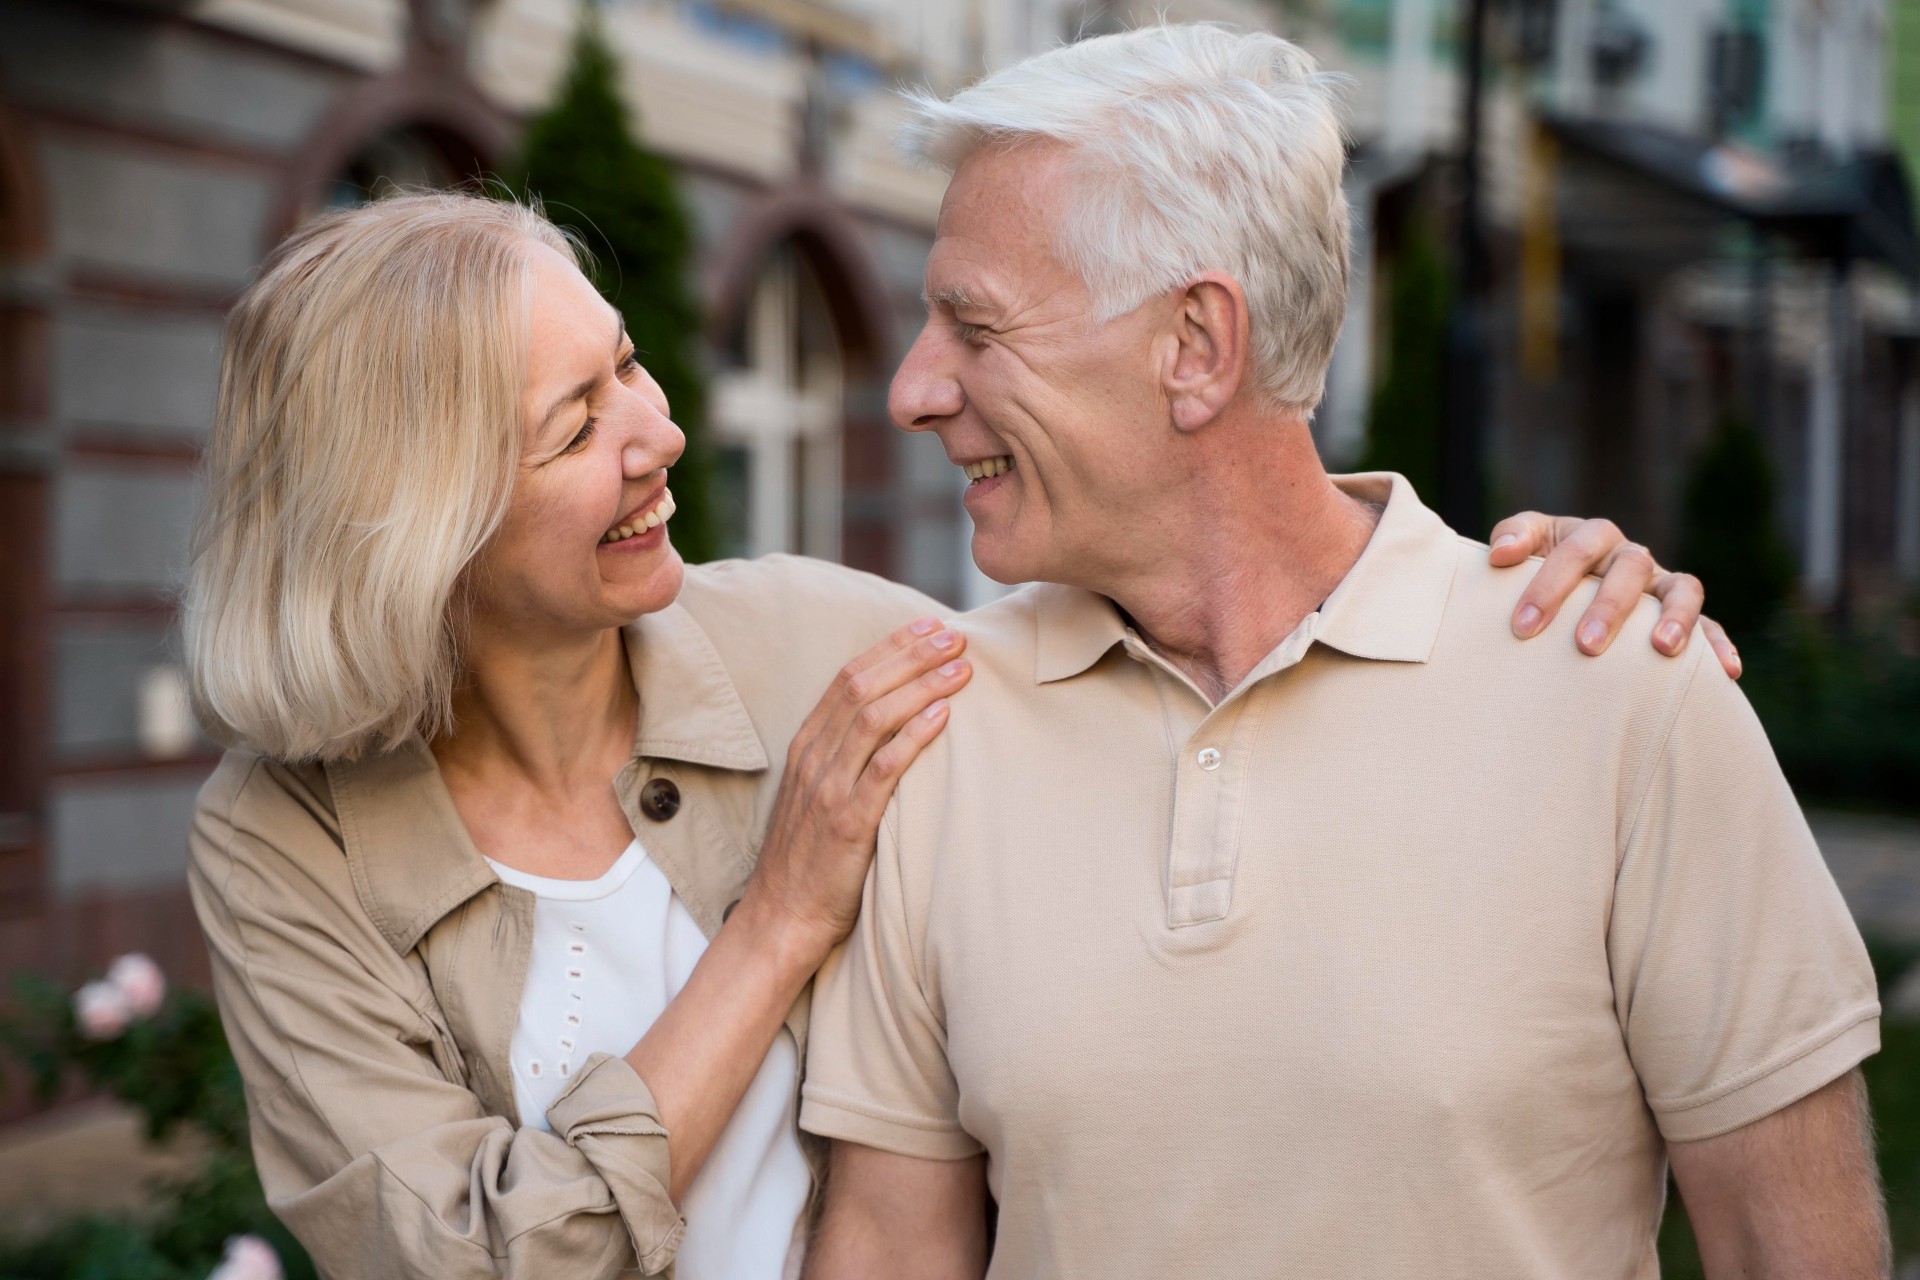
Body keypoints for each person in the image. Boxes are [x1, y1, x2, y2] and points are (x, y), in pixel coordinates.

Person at [185, 191, 1719, 1279]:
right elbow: (466, 1258)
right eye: (578, 427)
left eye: (632, 364)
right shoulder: (283, 843)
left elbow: (1190, 621)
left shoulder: (822, 646)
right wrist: (777, 922)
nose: (662, 434)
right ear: (415, 524)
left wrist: (1522, 607)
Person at [799, 25, 1889, 1280]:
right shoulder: (943, 726)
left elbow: (1795, 1251)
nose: (914, 389)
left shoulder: (1619, 690)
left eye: (974, 328)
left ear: (1196, 345)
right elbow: (888, 1244)